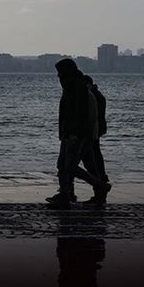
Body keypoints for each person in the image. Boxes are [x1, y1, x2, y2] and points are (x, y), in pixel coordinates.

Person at [46, 58, 110, 206]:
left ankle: (99, 186)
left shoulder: (76, 88)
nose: (58, 77)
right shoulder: (76, 86)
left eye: (60, 73)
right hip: (74, 133)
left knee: (69, 166)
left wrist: (73, 134)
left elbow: (78, 114)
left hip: (75, 134)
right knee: (67, 165)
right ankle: (66, 193)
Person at [82, 75, 110, 203]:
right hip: (96, 131)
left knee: (91, 158)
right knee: (95, 155)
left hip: (92, 131)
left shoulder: (91, 96)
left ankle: (99, 182)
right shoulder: (98, 95)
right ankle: (101, 180)